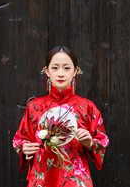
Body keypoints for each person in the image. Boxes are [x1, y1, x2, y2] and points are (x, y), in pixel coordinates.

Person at [13, 46, 109, 187]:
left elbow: (102, 140)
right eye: (55, 68)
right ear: (46, 71)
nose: (60, 74)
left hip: (75, 180)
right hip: (42, 178)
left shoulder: (87, 107)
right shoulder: (34, 107)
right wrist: (24, 148)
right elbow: (20, 139)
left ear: (76, 71)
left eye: (66, 68)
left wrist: (89, 143)